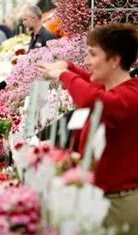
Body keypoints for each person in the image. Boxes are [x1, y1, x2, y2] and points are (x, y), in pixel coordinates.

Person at [36, 23, 138, 233]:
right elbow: (91, 85)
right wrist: (66, 65)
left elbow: (93, 99)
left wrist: (64, 74)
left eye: (92, 54)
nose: (86, 61)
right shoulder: (115, 89)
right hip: (102, 197)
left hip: (120, 203)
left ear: (114, 60)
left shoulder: (130, 96)